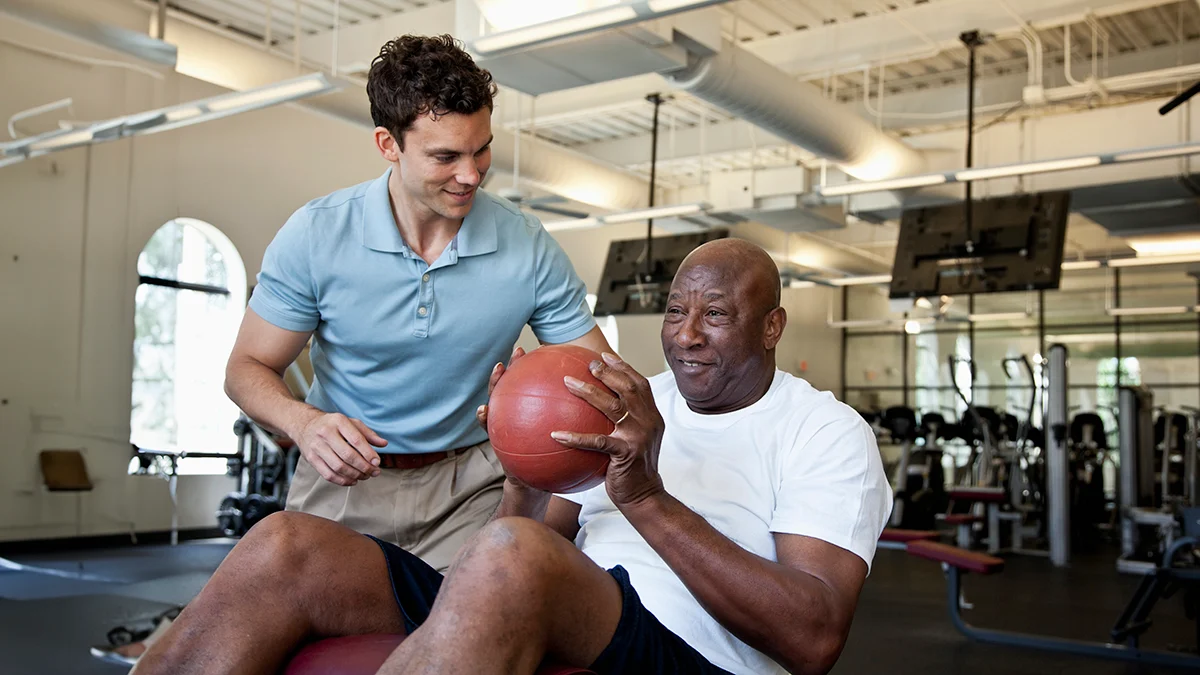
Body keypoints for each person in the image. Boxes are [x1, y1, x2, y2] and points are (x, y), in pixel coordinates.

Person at [132, 238, 892, 675]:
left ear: (772, 326)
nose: (686, 334)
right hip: (571, 608)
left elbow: (814, 636)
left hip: (693, 660)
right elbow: (525, 535)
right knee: (285, 543)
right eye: (675, 311)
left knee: (514, 555)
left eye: (717, 315)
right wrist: (522, 466)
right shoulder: (628, 400)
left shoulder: (826, 434)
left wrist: (646, 498)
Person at [223, 33, 611, 573]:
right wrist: (305, 424)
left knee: (460, 642)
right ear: (388, 144)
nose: (471, 174)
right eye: (446, 156)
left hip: (471, 486)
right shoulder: (317, 234)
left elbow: (600, 377)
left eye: (481, 149)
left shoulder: (525, 242)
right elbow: (246, 369)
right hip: (343, 481)